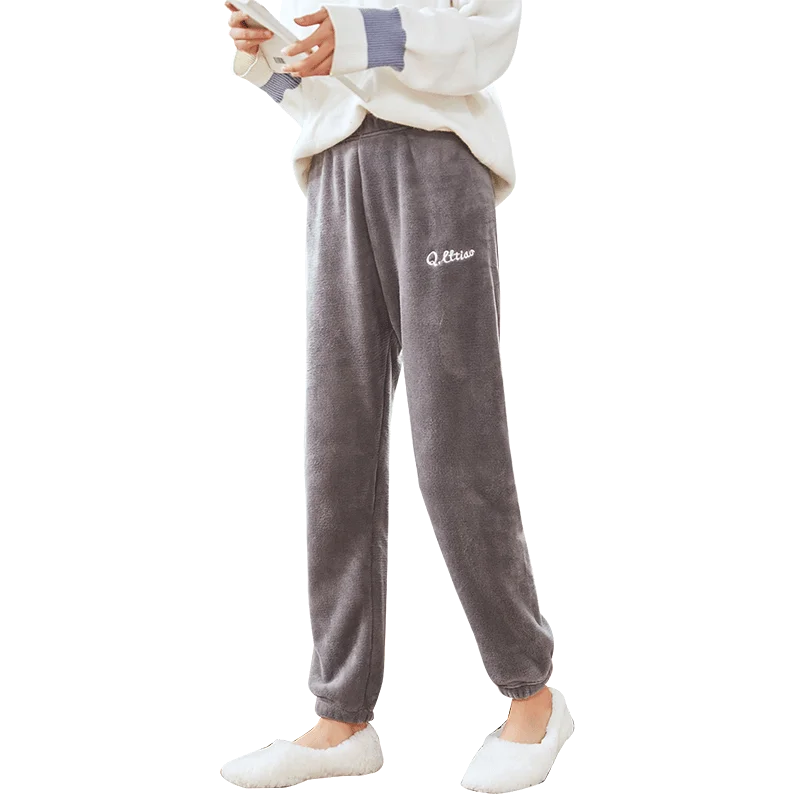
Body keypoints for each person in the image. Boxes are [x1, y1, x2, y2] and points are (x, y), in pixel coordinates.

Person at [220, 1, 573, 792]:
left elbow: (487, 36)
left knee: (456, 442)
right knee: (335, 449)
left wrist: (359, 34)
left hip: (436, 166)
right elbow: (323, 91)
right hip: (334, 173)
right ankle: (342, 714)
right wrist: (271, 54)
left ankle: (532, 691)